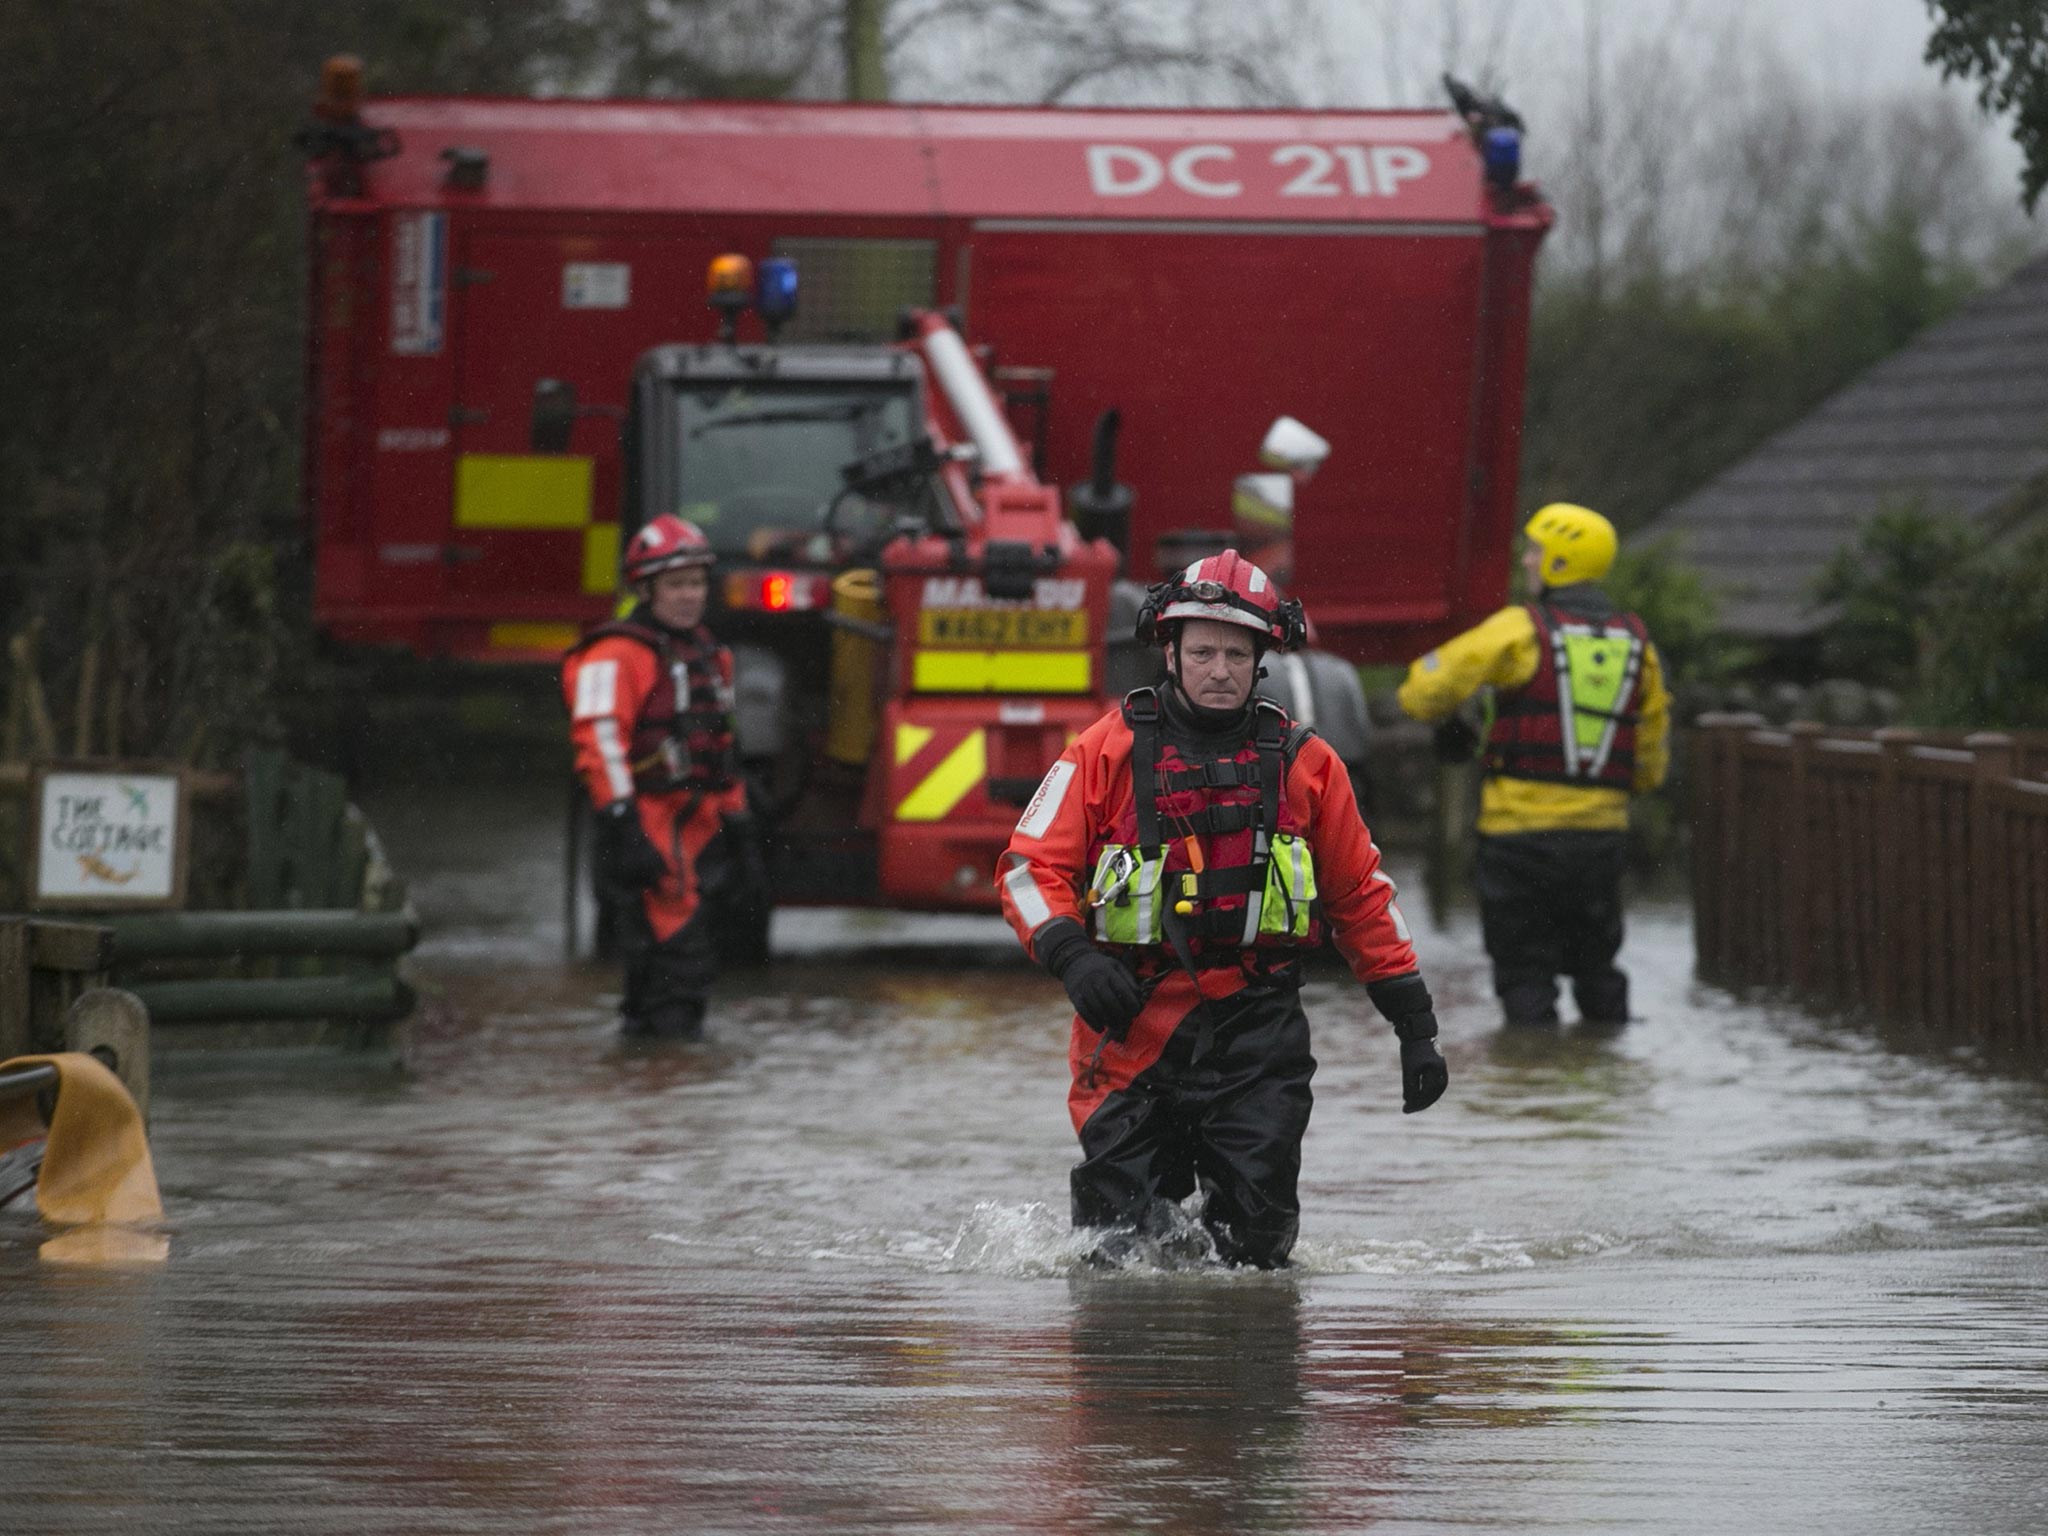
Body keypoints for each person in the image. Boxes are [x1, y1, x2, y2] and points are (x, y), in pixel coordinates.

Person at [997, 550, 1447, 1269]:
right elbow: (1028, 868)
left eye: (1237, 653)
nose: (1219, 669)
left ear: (1261, 660)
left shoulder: (1308, 764)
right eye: (1202, 650)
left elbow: (1362, 898)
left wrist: (1414, 1026)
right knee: (1117, 1255)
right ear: (1170, 652)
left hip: (1257, 1034)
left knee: (1258, 1255)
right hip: (1129, 1029)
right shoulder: (1102, 751)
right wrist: (1071, 953)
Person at [1396, 502, 1670, 1028]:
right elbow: (1651, 758)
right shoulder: (1639, 644)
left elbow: (1422, 693)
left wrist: (1449, 715)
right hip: (1600, 841)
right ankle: (1608, 1077)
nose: (1526, 560)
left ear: (1560, 563)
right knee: (1598, 967)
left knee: (1524, 973)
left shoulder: (1519, 630)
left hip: (1517, 840)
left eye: (1536, 551)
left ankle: (1530, 1079)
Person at [561, 515, 764, 1039]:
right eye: (676, 584)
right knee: (673, 962)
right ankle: (662, 1080)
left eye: (696, 583)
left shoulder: (711, 654)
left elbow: (723, 743)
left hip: (701, 827)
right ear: (646, 590)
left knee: (693, 961)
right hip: (647, 826)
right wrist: (622, 822)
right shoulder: (616, 655)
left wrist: (740, 821)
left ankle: (662, 1081)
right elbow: (600, 744)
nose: (689, 596)